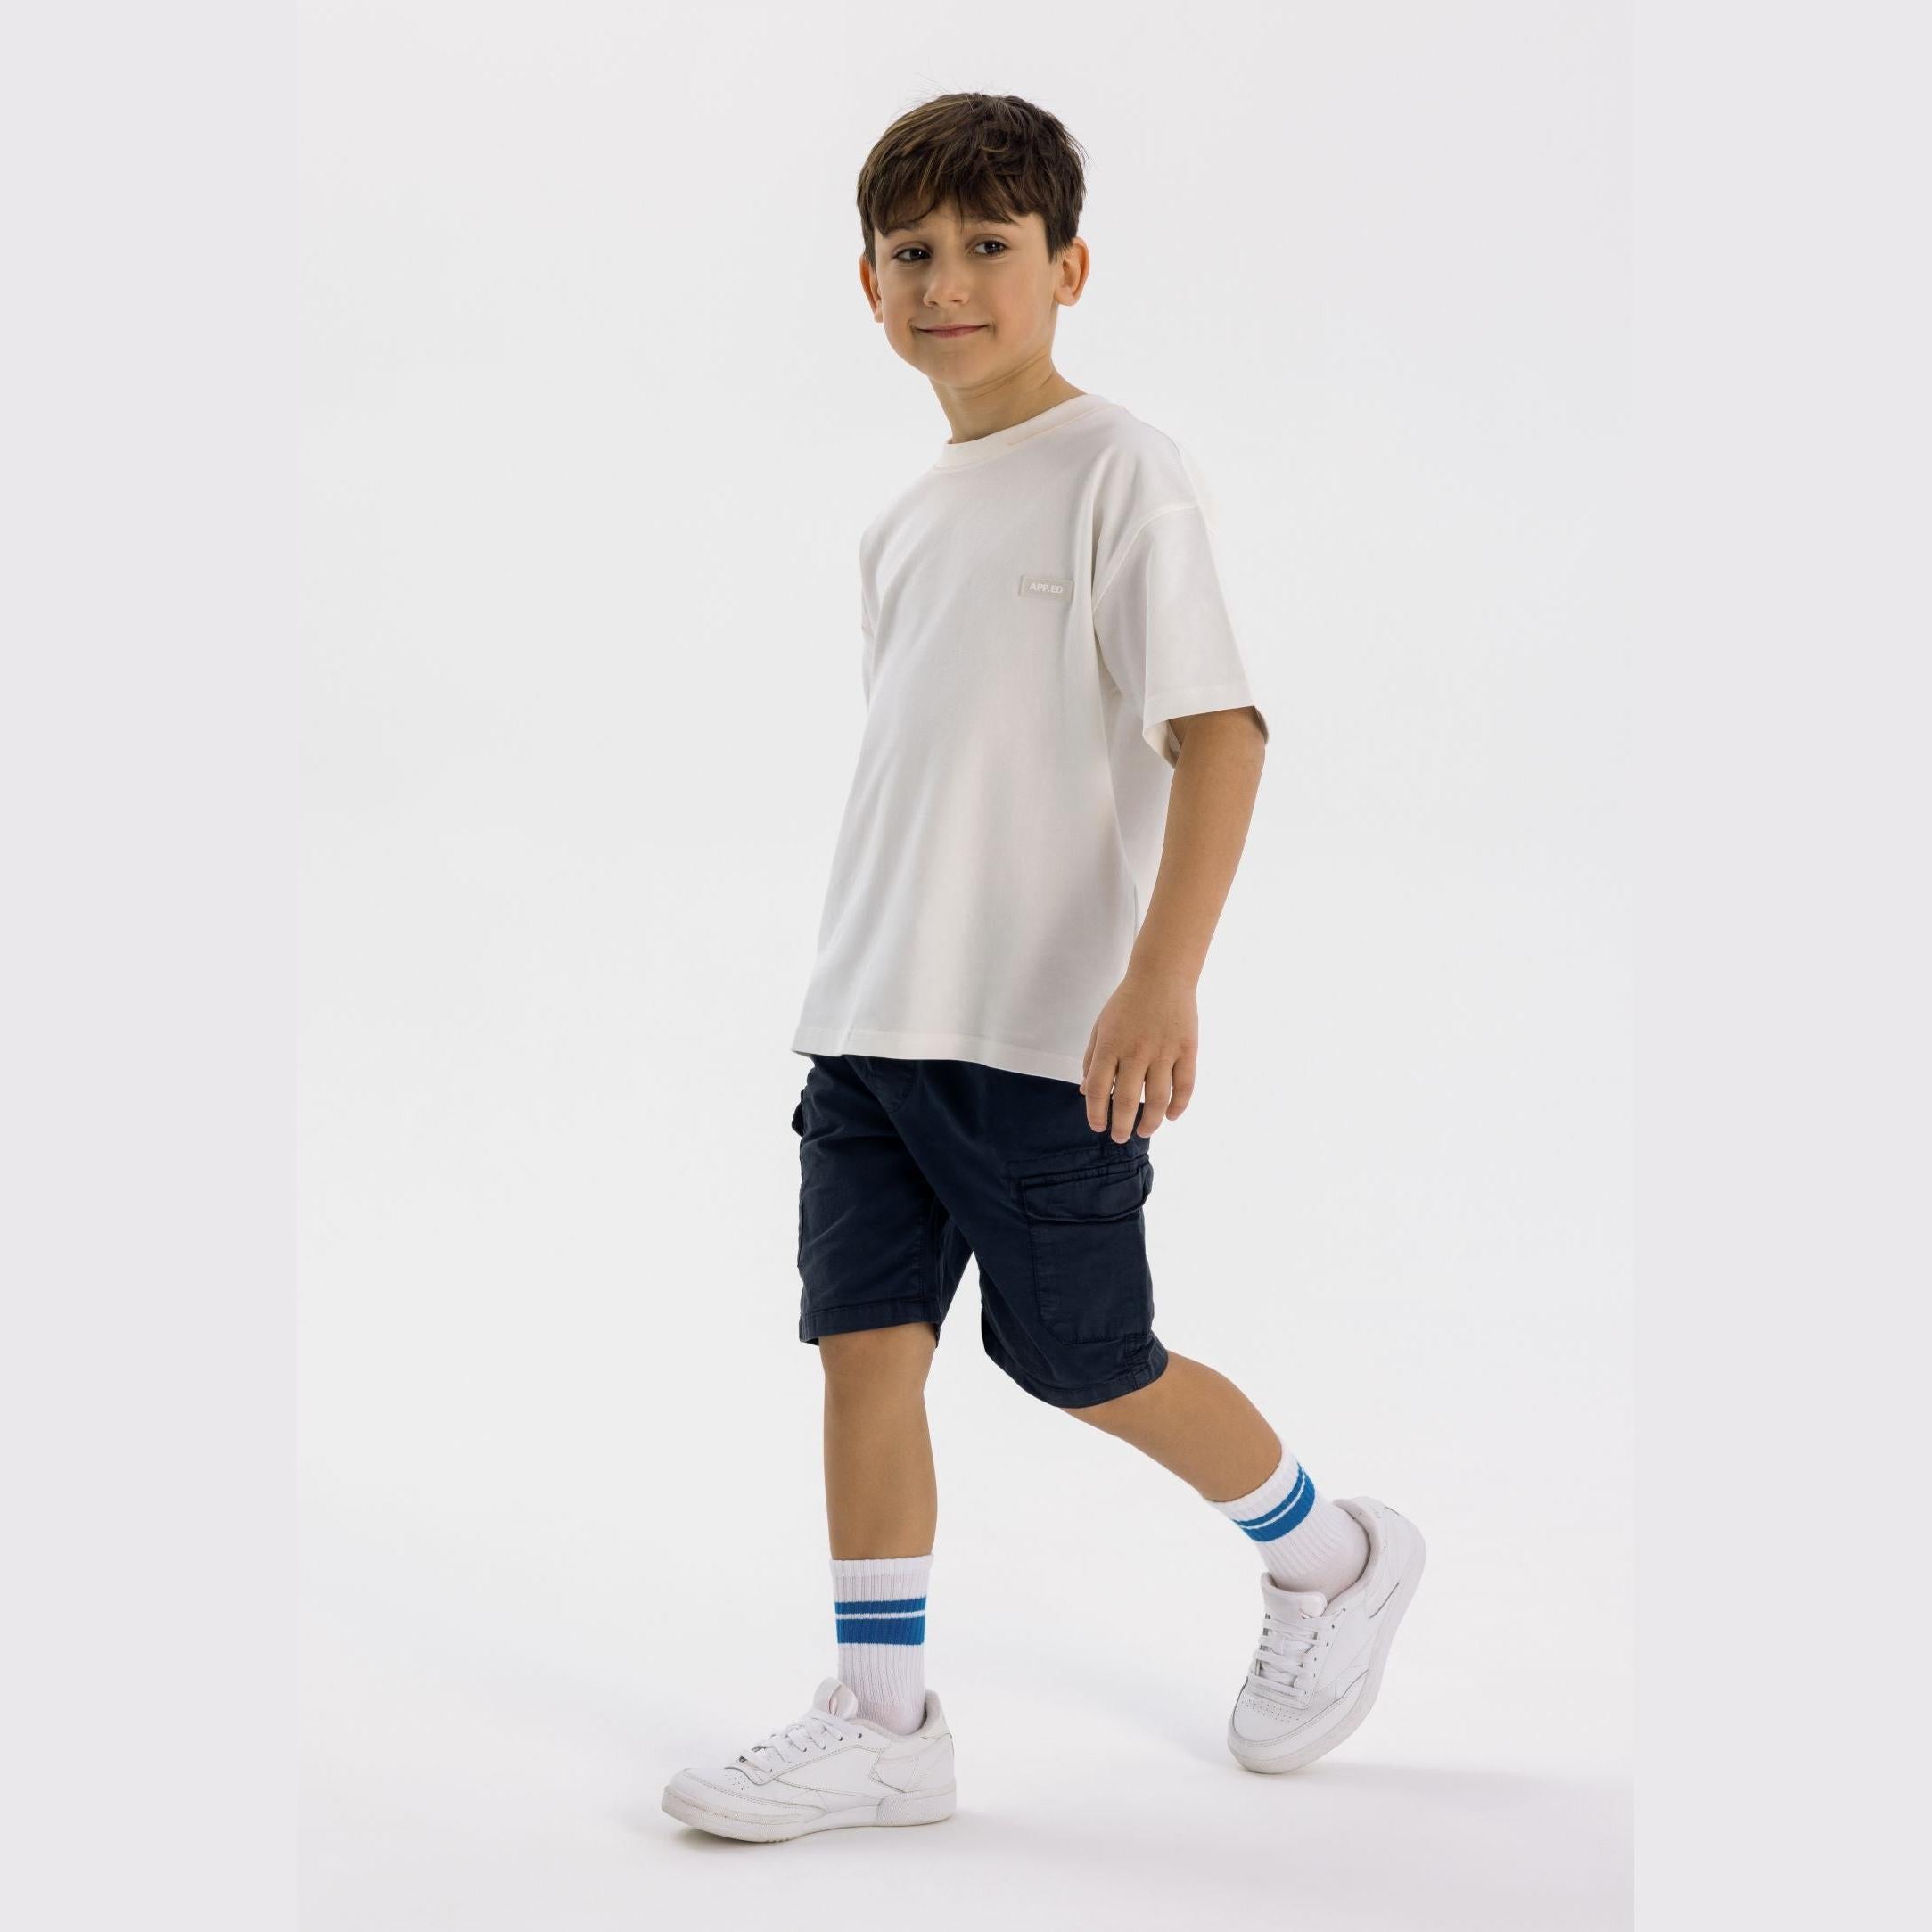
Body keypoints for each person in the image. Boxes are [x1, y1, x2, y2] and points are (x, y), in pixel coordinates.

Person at [662, 91, 1426, 1844]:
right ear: (866, 286)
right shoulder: (903, 519)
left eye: (987, 247)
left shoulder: (1120, 469)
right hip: (867, 1017)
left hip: (1035, 1035)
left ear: (1066, 266)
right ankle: (881, 1719)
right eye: (911, 254)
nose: (948, 281)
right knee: (863, 1352)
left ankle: (1334, 1553)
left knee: (1085, 1360)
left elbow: (1217, 736)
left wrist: (1159, 980)